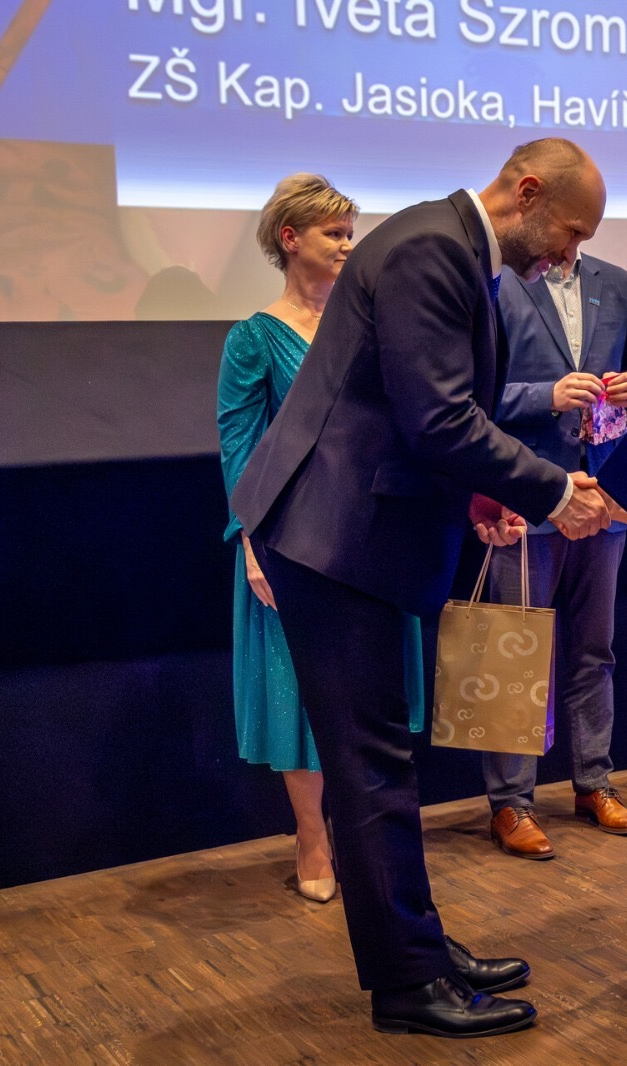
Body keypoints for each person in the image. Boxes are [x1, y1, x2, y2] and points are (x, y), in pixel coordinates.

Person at [229, 138, 612, 1040]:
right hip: (330, 541)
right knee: (371, 769)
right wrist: (552, 492)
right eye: (570, 232)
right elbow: (439, 418)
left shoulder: (444, 242)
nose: (569, 254)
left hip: (346, 536)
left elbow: (399, 413)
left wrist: (476, 493)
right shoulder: (434, 248)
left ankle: (420, 947)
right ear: (527, 193)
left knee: (382, 764)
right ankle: (407, 984)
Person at [216, 174, 425, 905]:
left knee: (374, 695)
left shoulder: (368, 325)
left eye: (349, 232)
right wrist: (252, 544)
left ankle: (373, 836)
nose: (346, 245)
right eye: (334, 233)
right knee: (298, 693)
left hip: (371, 538)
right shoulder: (253, 338)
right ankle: (312, 833)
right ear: (290, 238)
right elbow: (240, 447)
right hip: (290, 543)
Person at [484, 254, 627, 859]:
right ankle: (511, 802)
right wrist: (549, 395)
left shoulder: (618, 281)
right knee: (515, 657)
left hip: (602, 497)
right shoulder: (500, 281)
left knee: (594, 651)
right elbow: (474, 395)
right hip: (526, 496)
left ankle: (594, 782)